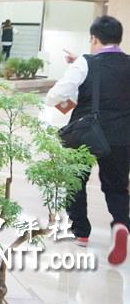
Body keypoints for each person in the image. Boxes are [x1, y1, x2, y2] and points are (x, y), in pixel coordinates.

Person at [45, 15, 130, 265]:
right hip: (122, 136)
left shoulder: (85, 63)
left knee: (75, 181)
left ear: (93, 39)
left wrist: (73, 94)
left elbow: (55, 96)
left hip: (86, 134)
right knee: (117, 186)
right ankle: (121, 224)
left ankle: (80, 230)